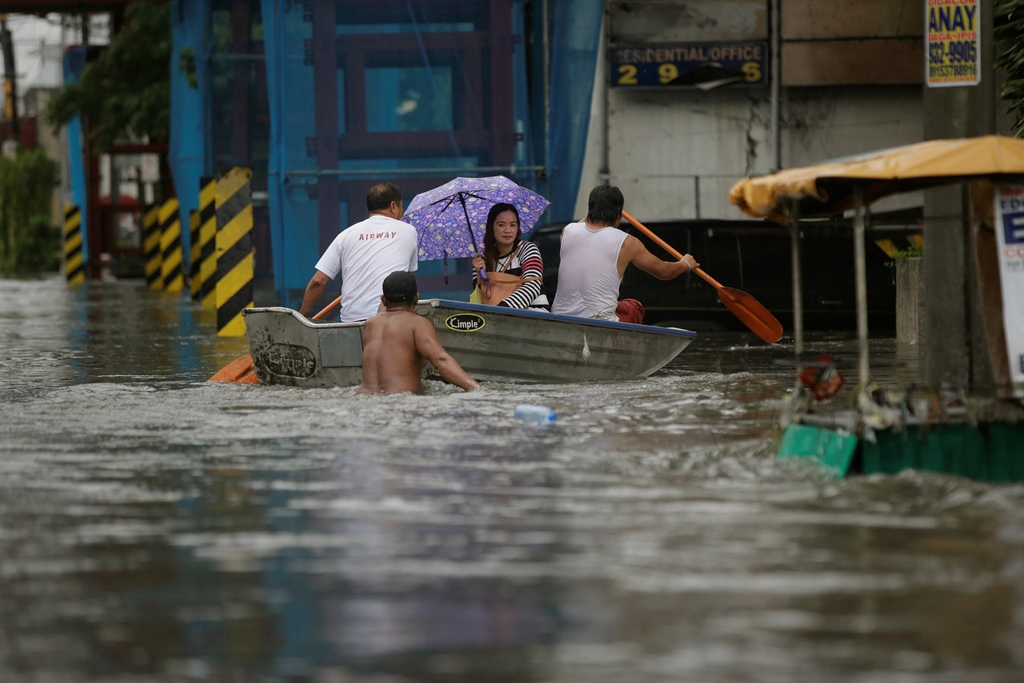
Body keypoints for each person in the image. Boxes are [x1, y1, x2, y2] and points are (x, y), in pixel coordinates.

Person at [551, 185, 699, 321]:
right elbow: (665, 272)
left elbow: (583, 225)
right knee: (633, 307)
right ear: (618, 217)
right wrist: (685, 264)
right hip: (600, 320)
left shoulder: (567, 231)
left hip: (560, 315)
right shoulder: (627, 243)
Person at [299, 182, 418, 322]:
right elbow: (405, 281)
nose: (402, 211)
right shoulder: (409, 231)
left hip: (351, 321)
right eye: (401, 206)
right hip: (390, 319)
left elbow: (318, 281)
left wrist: (303, 317)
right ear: (393, 206)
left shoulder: (345, 235)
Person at [357, 271, 480, 395]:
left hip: (363, 398)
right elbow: (441, 360)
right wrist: (477, 389)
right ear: (416, 298)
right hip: (399, 402)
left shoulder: (371, 324)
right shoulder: (417, 324)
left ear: (383, 300)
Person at [470, 203, 549, 309]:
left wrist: (504, 309)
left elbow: (532, 286)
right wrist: (480, 274)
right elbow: (480, 297)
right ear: (491, 227)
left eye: (512, 225)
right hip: (494, 317)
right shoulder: (482, 258)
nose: (508, 230)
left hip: (533, 315)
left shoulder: (528, 249)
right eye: (501, 225)